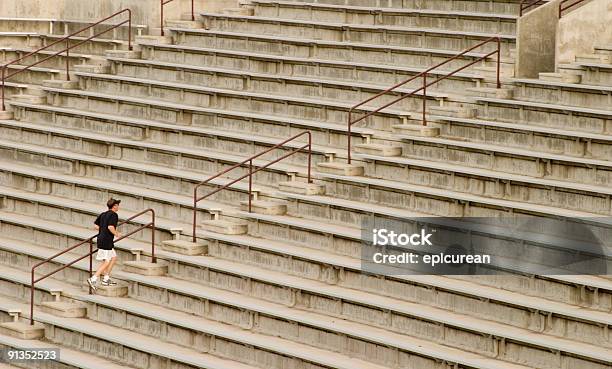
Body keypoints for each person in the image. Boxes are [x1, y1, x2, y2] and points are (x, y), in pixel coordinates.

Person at [87, 198, 122, 291]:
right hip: (106, 240)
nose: (118, 206)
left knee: (113, 257)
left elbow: (95, 226)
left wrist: (103, 230)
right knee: (106, 261)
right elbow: (110, 227)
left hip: (102, 239)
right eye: (117, 205)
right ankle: (93, 279)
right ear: (114, 206)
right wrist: (117, 234)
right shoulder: (114, 215)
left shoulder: (103, 214)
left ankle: (106, 279)